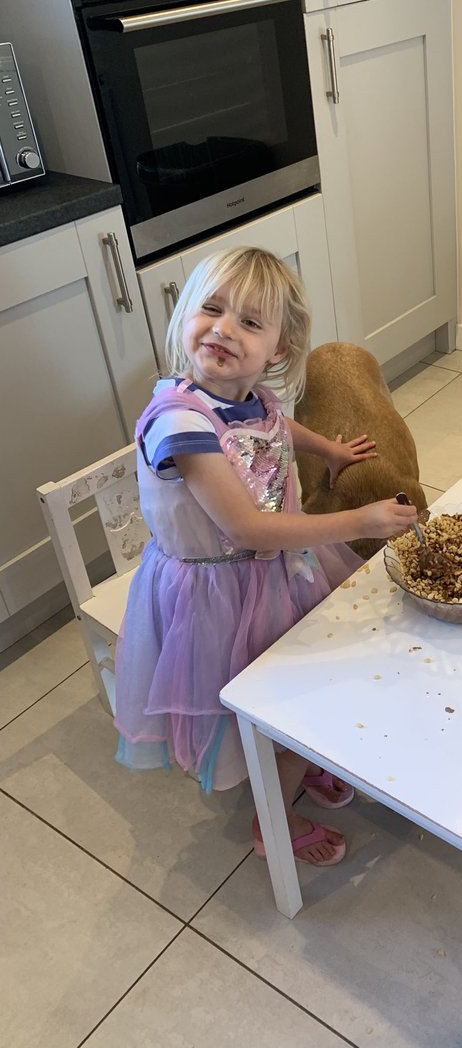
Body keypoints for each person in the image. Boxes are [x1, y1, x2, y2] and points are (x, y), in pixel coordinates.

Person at [114, 246, 420, 864]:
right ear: (186, 316)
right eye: (213, 308)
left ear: (278, 349)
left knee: (312, 679)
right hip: (219, 597)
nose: (225, 328)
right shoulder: (181, 424)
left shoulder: (248, 397)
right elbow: (250, 528)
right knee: (280, 703)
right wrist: (359, 520)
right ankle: (272, 817)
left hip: (276, 576)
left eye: (250, 322)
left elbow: (274, 427)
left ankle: (299, 764)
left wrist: (328, 451)